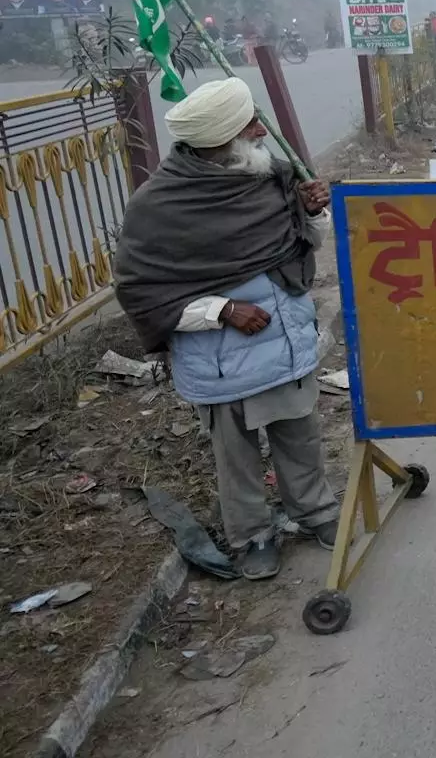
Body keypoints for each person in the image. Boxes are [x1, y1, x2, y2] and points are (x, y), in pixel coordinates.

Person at [113, 79, 339, 580]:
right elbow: (141, 290)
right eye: (250, 126)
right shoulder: (158, 206)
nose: (262, 130)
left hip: (283, 341)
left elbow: (307, 246)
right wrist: (221, 310)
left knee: (299, 437)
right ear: (220, 140)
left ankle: (317, 513)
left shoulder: (272, 177)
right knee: (235, 458)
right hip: (219, 360)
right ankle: (254, 535)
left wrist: (312, 210)